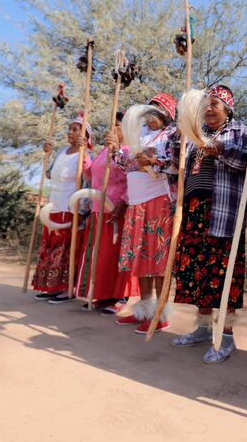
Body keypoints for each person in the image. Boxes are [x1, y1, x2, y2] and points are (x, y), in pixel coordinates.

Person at [170, 85, 247, 364]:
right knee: (197, 272)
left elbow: (245, 161)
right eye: (206, 104)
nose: (208, 108)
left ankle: (225, 337)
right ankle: (203, 328)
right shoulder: (194, 134)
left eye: (215, 103)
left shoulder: (239, 129)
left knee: (223, 274)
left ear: (227, 107)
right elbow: (176, 168)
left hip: (222, 212)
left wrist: (219, 149)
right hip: (194, 211)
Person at [106, 93, 179, 334]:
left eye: (156, 112)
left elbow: (177, 164)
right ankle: (144, 310)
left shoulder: (172, 135)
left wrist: (153, 161)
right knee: (141, 259)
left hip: (159, 201)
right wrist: (116, 151)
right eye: (148, 112)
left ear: (167, 115)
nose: (151, 117)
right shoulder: (138, 135)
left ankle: (160, 313)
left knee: (157, 261)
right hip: (137, 204)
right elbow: (124, 165)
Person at [75, 112, 139, 313]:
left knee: (115, 255)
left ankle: (119, 296)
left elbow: (134, 178)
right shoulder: (104, 152)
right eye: (111, 125)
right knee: (99, 255)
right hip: (97, 210)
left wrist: (123, 202)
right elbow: (89, 174)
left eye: (118, 125)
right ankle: (101, 295)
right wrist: (84, 153)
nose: (113, 130)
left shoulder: (129, 151)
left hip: (116, 209)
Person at [32, 112, 92, 304]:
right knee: (50, 249)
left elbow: (88, 180)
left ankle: (66, 289)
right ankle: (50, 287)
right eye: (70, 129)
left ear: (85, 136)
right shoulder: (62, 153)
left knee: (65, 249)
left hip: (69, 208)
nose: (70, 132)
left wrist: (81, 211)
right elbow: (50, 175)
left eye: (75, 129)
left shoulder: (85, 155)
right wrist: (47, 154)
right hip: (53, 207)